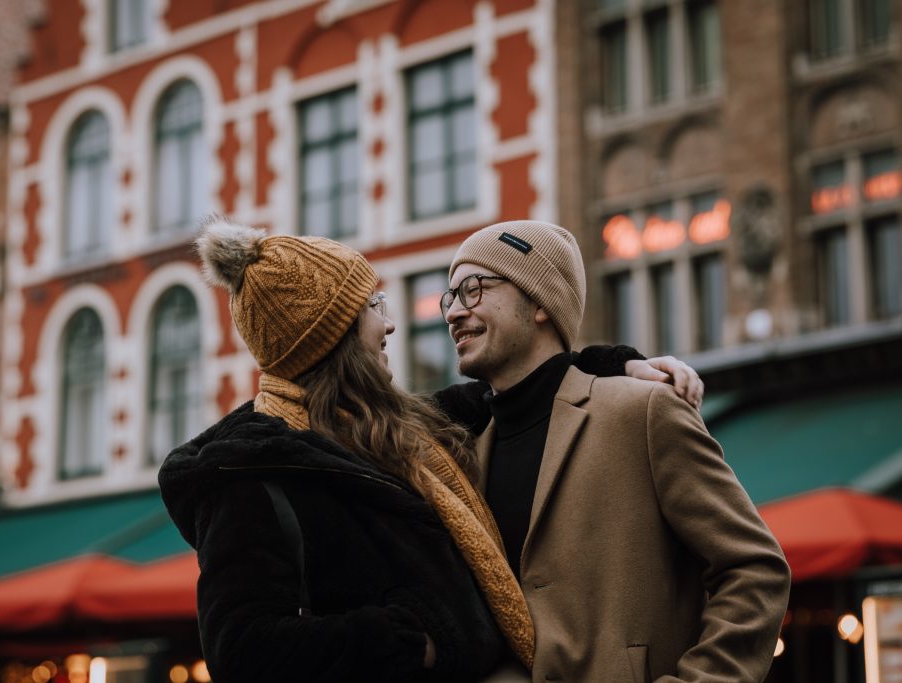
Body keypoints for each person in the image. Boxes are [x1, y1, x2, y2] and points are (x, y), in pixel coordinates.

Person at [158, 216, 695, 683]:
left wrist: (616, 363)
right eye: (374, 304)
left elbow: (510, 388)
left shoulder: (387, 428)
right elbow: (242, 650)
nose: (389, 322)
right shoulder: (248, 474)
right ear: (335, 333)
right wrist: (418, 641)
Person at [442, 220, 792, 683]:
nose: (453, 312)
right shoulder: (465, 451)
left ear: (540, 301)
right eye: (451, 297)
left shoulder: (645, 411)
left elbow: (755, 569)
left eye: (473, 288)